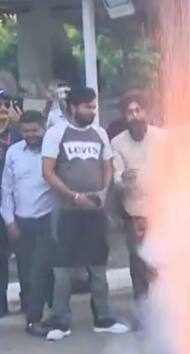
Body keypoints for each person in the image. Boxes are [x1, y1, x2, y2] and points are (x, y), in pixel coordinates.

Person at [41, 86, 129, 341]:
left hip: (94, 212)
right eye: (87, 107)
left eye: (94, 106)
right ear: (72, 107)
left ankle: (103, 318)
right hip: (66, 213)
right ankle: (60, 321)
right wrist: (73, 196)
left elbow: (108, 167)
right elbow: (47, 172)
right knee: (63, 270)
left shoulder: (100, 133)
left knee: (98, 267)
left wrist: (103, 191)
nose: (92, 111)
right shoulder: (56, 134)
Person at [111, 90, 164, 328]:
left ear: (147, 112)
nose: (133, 115)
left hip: (164, 213)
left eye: (137, 110)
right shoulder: (118, 142)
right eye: (129, 112)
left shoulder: (163, 138)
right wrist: (124, 178)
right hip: (135, 214)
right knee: (139, 266)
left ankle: (166, 312)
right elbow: (115, 175)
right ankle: (143, 315)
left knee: (163, 263)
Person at [1, 110, 54, 336]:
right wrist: (10, 221)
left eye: (35, 130)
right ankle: (34, 318)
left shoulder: (52, 150)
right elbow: (7, 190)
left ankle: (44, 317)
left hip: (47, 219)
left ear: (44, 129)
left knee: (43, 270)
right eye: (26, 131)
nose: (31, 134)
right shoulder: (13, 152)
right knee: (26, 271)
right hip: (22, 222)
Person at [0, 88, 21, 318]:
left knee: (26, 257)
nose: (2, 109)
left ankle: (32, 302)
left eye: (6, 104)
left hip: (21, 206)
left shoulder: (21, 135)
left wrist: (19, 124)